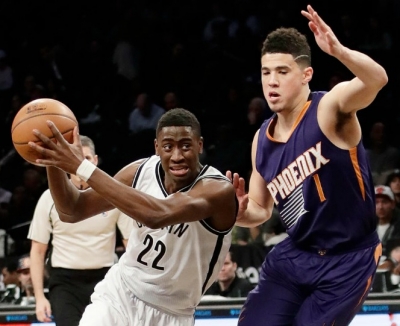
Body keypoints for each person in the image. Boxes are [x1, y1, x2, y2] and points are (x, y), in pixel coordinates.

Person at [227, 5, 388, 325]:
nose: (271, 81)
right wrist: (242, 214)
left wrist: (339, 51)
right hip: (296, 253)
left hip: (348, 258)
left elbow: (377, 80)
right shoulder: (262, 140)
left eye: (282, 72)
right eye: (266, 72)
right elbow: (261, 207)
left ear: (306, 75)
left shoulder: (329, 108)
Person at [27, 108, 237, 326]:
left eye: (186, 146)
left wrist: (81, 166)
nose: (177, 156)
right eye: (168, 147)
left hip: (173, 312)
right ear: (157, 147)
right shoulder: (140, 171)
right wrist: (53, 160)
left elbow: (157, 215)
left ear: (199, 145)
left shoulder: (217, 189)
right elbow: (72, 210)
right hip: (120, 293)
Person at [28, 135, 133, 326]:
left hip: (105, 280)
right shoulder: (48, 197)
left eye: (86, 158)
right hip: (65, 283)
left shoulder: (112, 193)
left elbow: (131, 244)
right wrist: (39, 298)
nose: (79, 163)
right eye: (75, 157)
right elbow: (38, 250)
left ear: (95, 160)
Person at [374, 185, 400, 259]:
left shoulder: (398, 227)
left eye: (384, 202)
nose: (380, 207)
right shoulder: (367, 228)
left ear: (392, 204)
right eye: (376, 203)